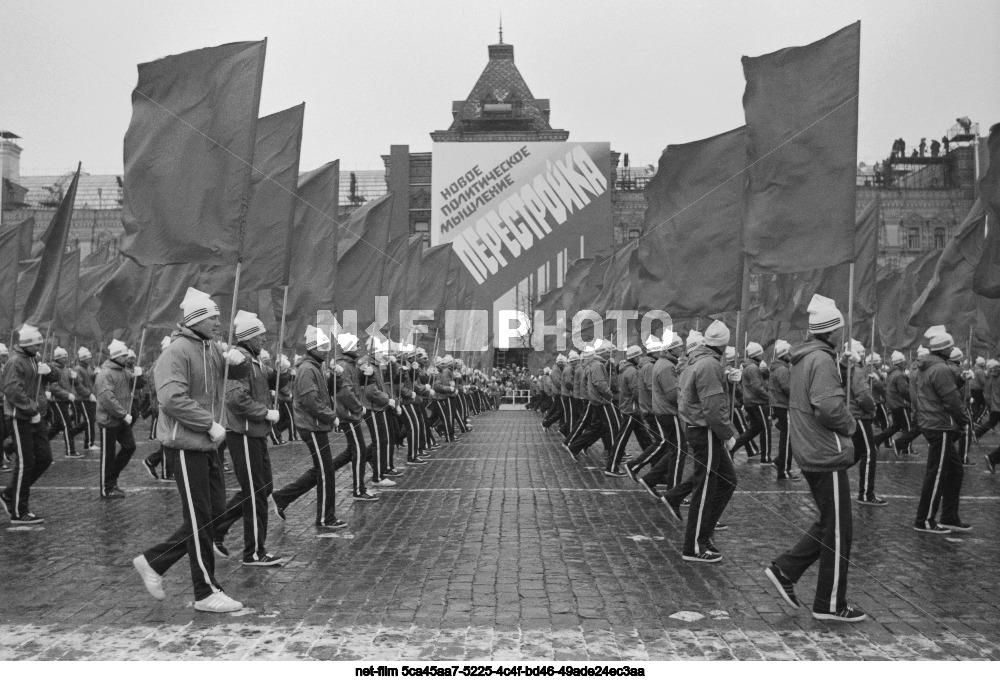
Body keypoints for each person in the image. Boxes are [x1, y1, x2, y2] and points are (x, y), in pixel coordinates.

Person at [132, 287, 249, 613]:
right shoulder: (177, 352)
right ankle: (205, 591)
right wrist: (207, 423)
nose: (218, 321)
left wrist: (237, 363)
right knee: (200, 521)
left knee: (211, 517)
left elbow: (228, 377)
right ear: (197, 319)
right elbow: (171, 399)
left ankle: (154, 561)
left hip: (207, 445)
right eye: (212, 316)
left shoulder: (209, 348)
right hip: (186, 445)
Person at [764, 295, 866, 623]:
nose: (843, 333)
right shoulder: (821, 360)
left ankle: (785, 570)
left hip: (813, 449)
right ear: (832, 330)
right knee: (839, 531)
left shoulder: (807, 357)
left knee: (828, 523)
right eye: (841, 327)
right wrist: (851, 425)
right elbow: (829, 407)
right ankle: (830, 603)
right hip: (826, 452)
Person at [213, 311, 290, 563]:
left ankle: (217, 527)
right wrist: (265, 412)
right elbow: (236, 398)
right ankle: (254, 552)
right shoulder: (240, 361)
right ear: (248, 337)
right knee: (256, 492)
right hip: (243, 432)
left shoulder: (254, 361)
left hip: (255, 432)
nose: (265, 339)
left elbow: (272, 379)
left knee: (262, 487)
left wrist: (284, 371)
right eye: (260, 335)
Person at [660, 321, 736, 563]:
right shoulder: (709, 364)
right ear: (724, 344)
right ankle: (694, 545)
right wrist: (728, 434)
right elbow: (714, 408)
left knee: (727, 481)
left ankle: (704, 534)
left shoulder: (697, 361)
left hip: (698, 428)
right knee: (704, 488)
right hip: (706, 431)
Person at [912, 327, 970, 533]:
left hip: (932, 422)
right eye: (950, 346)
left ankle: (949, 516)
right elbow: (952, 400)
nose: (953, 348)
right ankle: (925, 520)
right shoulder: (941, 369)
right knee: (936, 474)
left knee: (954, 471)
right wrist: (964, 421)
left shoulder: (928, 367)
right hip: (940, 425)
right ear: (944, 349)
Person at [1, 324, 55, 524]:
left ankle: (10, 494)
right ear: (26, 344)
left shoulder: (34, 359)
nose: (40, 347)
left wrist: (49, 372)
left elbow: (53, 378)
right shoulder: (15, 362)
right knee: (25, 463)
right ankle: (18, 510)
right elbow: (13, 391)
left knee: (44, 458)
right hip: (19, 416)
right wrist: (31, 409)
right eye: (36, 344)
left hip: (36, 416)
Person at [330, 332, 379, 502]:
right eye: (356, 345)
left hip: (351, 413)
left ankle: (326, 469)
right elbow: (345, 392)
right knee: (359, 450)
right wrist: (360, 408)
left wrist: (368, 373)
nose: (360, 348)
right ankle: (359, 489)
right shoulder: (343, 365)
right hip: (348, 414)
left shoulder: (350, 365)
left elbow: (356, 383)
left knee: (353, 450)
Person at [841, 341, 884, 506]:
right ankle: (866, 493)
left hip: (851, 413)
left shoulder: (846, 371)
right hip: (859, 415)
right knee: (869, 452)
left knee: (857, 453)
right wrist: (872, 408)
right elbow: (863, 396)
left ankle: (830, 476)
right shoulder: (856, 371)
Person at [95, 340, 138, 498]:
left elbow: (137, 385)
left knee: (129, 446)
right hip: (109, 420)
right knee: (108, 455)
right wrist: (123, 414)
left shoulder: (123, 371)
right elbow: (107, 398)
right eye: (123, 355)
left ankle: (112, 478)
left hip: (120, 419)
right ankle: (106, 488)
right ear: (116, 356)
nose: (126, 358)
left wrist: (139, 376)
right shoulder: (106, 373)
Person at [731, 342, 770, 462]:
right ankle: (766, 458)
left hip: (750, 402)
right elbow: (757, 387)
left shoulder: (748, 367)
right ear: (757, 355)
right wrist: (769, 396)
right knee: (766, 429)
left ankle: (732, 449)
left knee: (754, 429)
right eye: (761, 353)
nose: (762, 356)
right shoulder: (753, 368)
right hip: (756, 402)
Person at [48, 346, 86, 457]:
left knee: (57, 427)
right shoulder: (53, 369)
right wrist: (67, 394)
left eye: (66, 357)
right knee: (67, 425)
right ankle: (71, 451)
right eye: (63, 357)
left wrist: (74, 378)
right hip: (57, 400)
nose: (66, 359)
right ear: (57, 358)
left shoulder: (66, 369)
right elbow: (53, 387)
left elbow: (72, 383)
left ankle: (38, 444)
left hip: (64, 400)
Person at [768, 340, 798, 481]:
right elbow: (788, 388)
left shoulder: (780, 368)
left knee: (787, 439)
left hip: (780, 405)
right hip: (784, 406)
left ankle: (781, 463)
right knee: (787, 440)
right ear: (784, 355)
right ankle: (784, 471)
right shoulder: (782, 370)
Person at [73, 346, 100, 452]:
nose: (90, 359)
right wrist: (88, 394)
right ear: (83, 358)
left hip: (89, 397)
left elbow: (90, 381)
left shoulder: (88, 367)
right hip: (82, 398)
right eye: (88, 358)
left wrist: (95, 374)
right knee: (89, 420)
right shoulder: (78, 369)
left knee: (91, 420)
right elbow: (79, 385)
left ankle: (72, 432)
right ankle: (89, 443)